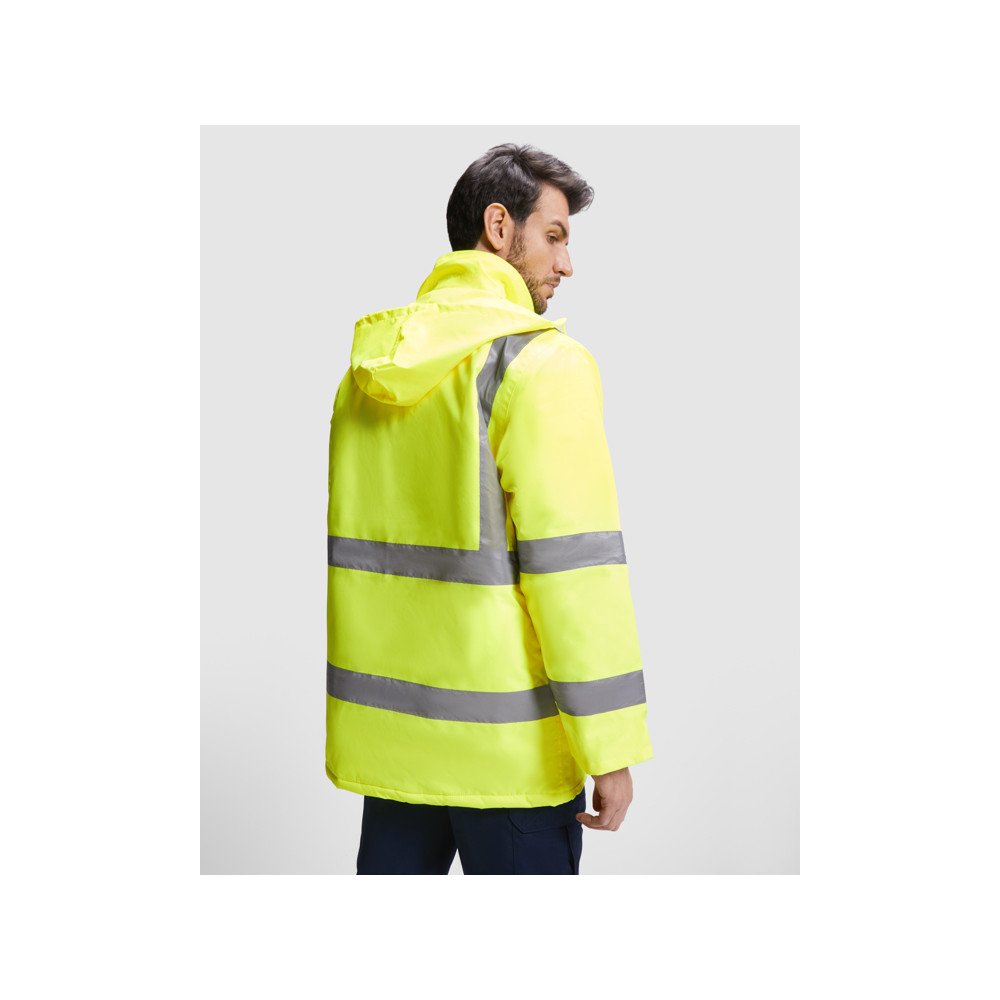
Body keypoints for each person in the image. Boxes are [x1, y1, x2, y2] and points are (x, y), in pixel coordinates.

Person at [325, 143, 654, 875]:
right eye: (555, 236)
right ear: (500, 228)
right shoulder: (540, 365)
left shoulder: (369, 374)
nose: (566, 264)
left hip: (394, 756)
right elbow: (575, 575)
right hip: (509, 766)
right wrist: (610, 748)